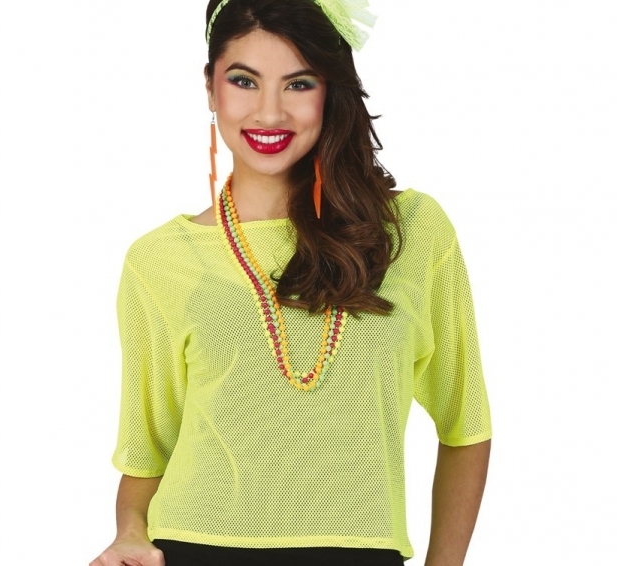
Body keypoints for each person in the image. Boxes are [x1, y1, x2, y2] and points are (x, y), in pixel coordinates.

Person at [90, 0, 492, 565]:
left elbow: (466, 425)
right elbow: (146, 453)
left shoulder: (413, 231)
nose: (269, 112)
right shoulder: (159, 260)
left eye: (299, 84)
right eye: (244, 81)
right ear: (211, 89)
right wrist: (130, 532)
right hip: (194, 549)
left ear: (330, 92)